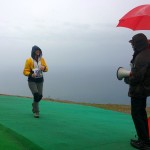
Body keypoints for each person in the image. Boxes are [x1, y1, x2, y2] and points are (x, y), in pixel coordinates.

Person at [124, 33, 150, 150]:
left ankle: (143, 142)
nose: (132, 46)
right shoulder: (146, 53)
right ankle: (145, 139)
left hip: (139, 90)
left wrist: (127, 79)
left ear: (138, 44)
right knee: (142, 114)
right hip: (144, 89)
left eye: (133, 43)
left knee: (137, 115)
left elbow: (137, 77)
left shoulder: (141, 57)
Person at [23, 45, 48, 118]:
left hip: (40, 80)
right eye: (37, 50)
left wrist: (44, 68)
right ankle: (36, 112)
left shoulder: (42, 59)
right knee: (36, 95)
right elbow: (25, 71)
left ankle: (34, 105)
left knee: (39, 96)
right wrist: (31, 74)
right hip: (32, 81)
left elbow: (46, 69)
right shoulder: (29, 60)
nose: (38, 52)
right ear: (33, 51)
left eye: (39, 50)